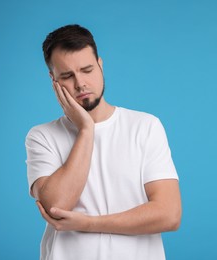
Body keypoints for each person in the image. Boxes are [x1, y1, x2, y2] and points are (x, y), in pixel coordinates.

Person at [25, 24, 182, 260]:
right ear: (53, 80)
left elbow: (169, 214)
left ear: (100, 64)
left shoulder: (145, 126)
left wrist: (88, 224)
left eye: (87, 70)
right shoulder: (42, 136)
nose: (80, 84)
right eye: (67, 76)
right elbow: (56, 206)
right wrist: (86, 129)